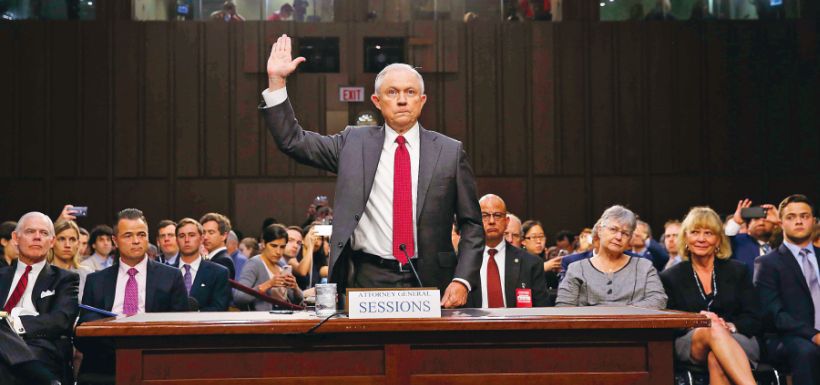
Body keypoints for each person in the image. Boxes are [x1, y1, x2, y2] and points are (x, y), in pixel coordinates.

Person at [260, 35, 484, 308]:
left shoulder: (449, 152)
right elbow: (293, 141)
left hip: (433, 279)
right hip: (368, 276)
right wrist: (277, 82)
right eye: (392, 92)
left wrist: (463, 280)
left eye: (410, 93)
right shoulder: (353, 143)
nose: (402, 100)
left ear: (422, 100)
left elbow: (472, 225)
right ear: (377, 101)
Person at [77, 209, 188, 376]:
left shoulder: (171, 276)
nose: (136, 241)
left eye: (141, 235)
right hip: (106, 359)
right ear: (115, 240)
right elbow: (85, 325)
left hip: (155, 358)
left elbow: (181, 327)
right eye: (128, 236)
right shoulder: (96, 280)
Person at [661, 207, 760, 385]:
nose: (701, 239)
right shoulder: (670, 276)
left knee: (716, 360)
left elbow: (754, 317)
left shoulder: (738, 271)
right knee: (711, 327)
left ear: (718, 240)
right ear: (685, 238)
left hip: (738, 337)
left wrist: (730, 326)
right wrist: (698, 320)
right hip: (691, 340)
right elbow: (670, 322)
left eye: (708, 233)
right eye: (695, 232)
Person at [0, 212, 79, 383]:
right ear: (15, 238)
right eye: (30, 232)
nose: (37, 237)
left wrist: (14, 324)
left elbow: (61, 320)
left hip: (40, 345)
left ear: (51, 242)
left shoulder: (65, 279)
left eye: (43, 233)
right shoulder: (1, 276)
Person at [754, 194, 820, 384]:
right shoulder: (767, 263)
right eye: (791, 217)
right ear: (780, 223)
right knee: (807, 351)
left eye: (804, 216)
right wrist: (814, 335)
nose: (798, 221)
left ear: (814, 221)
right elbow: (773, 313)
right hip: (787, 337)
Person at [556, 205, 666, 309]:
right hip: (588, 328)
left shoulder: (644, 267)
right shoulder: (577, 269)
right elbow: (564, 307)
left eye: (625, 233)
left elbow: (658, 300)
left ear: (630, 240)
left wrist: (619, 315)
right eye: (613, 229)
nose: (618, 237)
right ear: (600, 230)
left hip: (634, 328)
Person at [466, 195, 549, 308]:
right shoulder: (462, 261)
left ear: (506, 221)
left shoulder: (531, 263)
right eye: (485, 216)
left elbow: (542, 310)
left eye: (497, 215)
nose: (491, 221)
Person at [234, 224, 303, 310]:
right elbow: (239, 297)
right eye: (273, 246)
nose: (278, 252)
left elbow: (295, 300)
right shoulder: (254, 264)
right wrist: (268, 284)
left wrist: (295, 288)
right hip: (262, 320)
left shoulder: (281, 265)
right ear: (263, 244)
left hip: (284, 318)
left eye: (282, 247)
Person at [175, 218, 231, 311]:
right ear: (177, 240)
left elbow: (220, 308)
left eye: (192, 235)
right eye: (181, 236)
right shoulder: (166, 271)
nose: (187, 240)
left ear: (201, 239)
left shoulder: (219, 273)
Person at [726, 198, 781, 273]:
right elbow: (722, 243)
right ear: (748, 226)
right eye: (756, 218)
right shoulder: (738, 242)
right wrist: (736, 222)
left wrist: (779, 220)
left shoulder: (783, 243)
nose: (761, 221)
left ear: (775, 225)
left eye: (765, 218)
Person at [47, 220, 93, 301]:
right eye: (61, 239)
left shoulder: (88, 274)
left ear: (78, 244)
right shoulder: (41, 273)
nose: (67, 245)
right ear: (52, 242)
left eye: (72, 239)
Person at [522, 220, 560, 290]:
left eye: (541, 236)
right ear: (523, 241)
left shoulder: (545, 259)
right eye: (534, 237)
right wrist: (542, 268)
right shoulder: (518, 259)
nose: (539, 241)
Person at [198, 213, 236, 280]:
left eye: (211, 232)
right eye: (203, 232)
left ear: (224, 236)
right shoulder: (214, 258)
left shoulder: (224, 260)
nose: (205, 237)